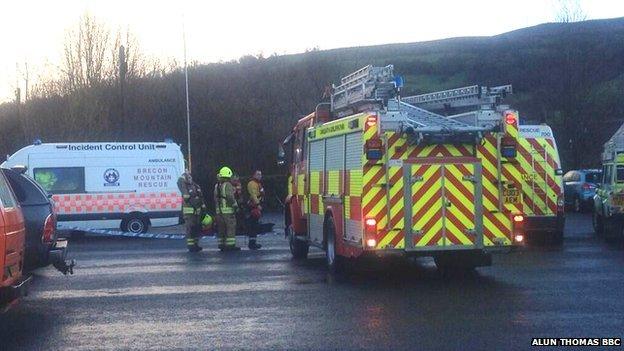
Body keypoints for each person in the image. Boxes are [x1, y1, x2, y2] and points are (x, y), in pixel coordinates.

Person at [177, 171, 206, 252]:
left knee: (196, 228)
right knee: (190, 228)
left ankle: (196, 244)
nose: (190, 178)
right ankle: (191, 245)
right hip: (189, 212)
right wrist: (184, 176)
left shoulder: (195, 186)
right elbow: (179, 181)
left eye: (190, 177)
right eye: (188, 177)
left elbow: (200, 197)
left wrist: (203, 207)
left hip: (197, 212)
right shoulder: (184, 185)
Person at [214, 166, 240, 251]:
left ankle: (221, 245)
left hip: (219, 212)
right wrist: (235, 204)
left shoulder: (217, 185)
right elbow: (230, 196)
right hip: (228, 212)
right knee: (230, 228)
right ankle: (230, 245)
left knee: (221, 229)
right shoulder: (228, 185)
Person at [246, 170, 264, 250]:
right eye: (258, 174)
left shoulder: (258, 183)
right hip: (253, 207)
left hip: (256, 206)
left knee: (255, 225)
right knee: (252, 225)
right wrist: (258, 205)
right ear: (254, 175)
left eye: (260, 174)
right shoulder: (252, 184)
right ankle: (252, 243)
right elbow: (253, 195)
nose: (260, 176)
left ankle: (253, 242)